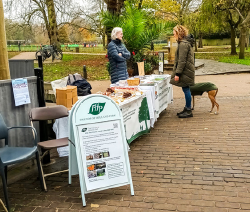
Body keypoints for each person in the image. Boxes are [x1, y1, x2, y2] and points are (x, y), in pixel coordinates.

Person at [170, 25, 195, 118]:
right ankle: (187, 108)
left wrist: (177, 73)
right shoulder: (184, 43)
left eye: (174, 34)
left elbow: (182, 60)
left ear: (178, 33)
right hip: (187, 70)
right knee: (186, 89)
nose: (173, 36)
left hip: (185, 71)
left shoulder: (183, 44)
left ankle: (188, 110)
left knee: (186, 89)